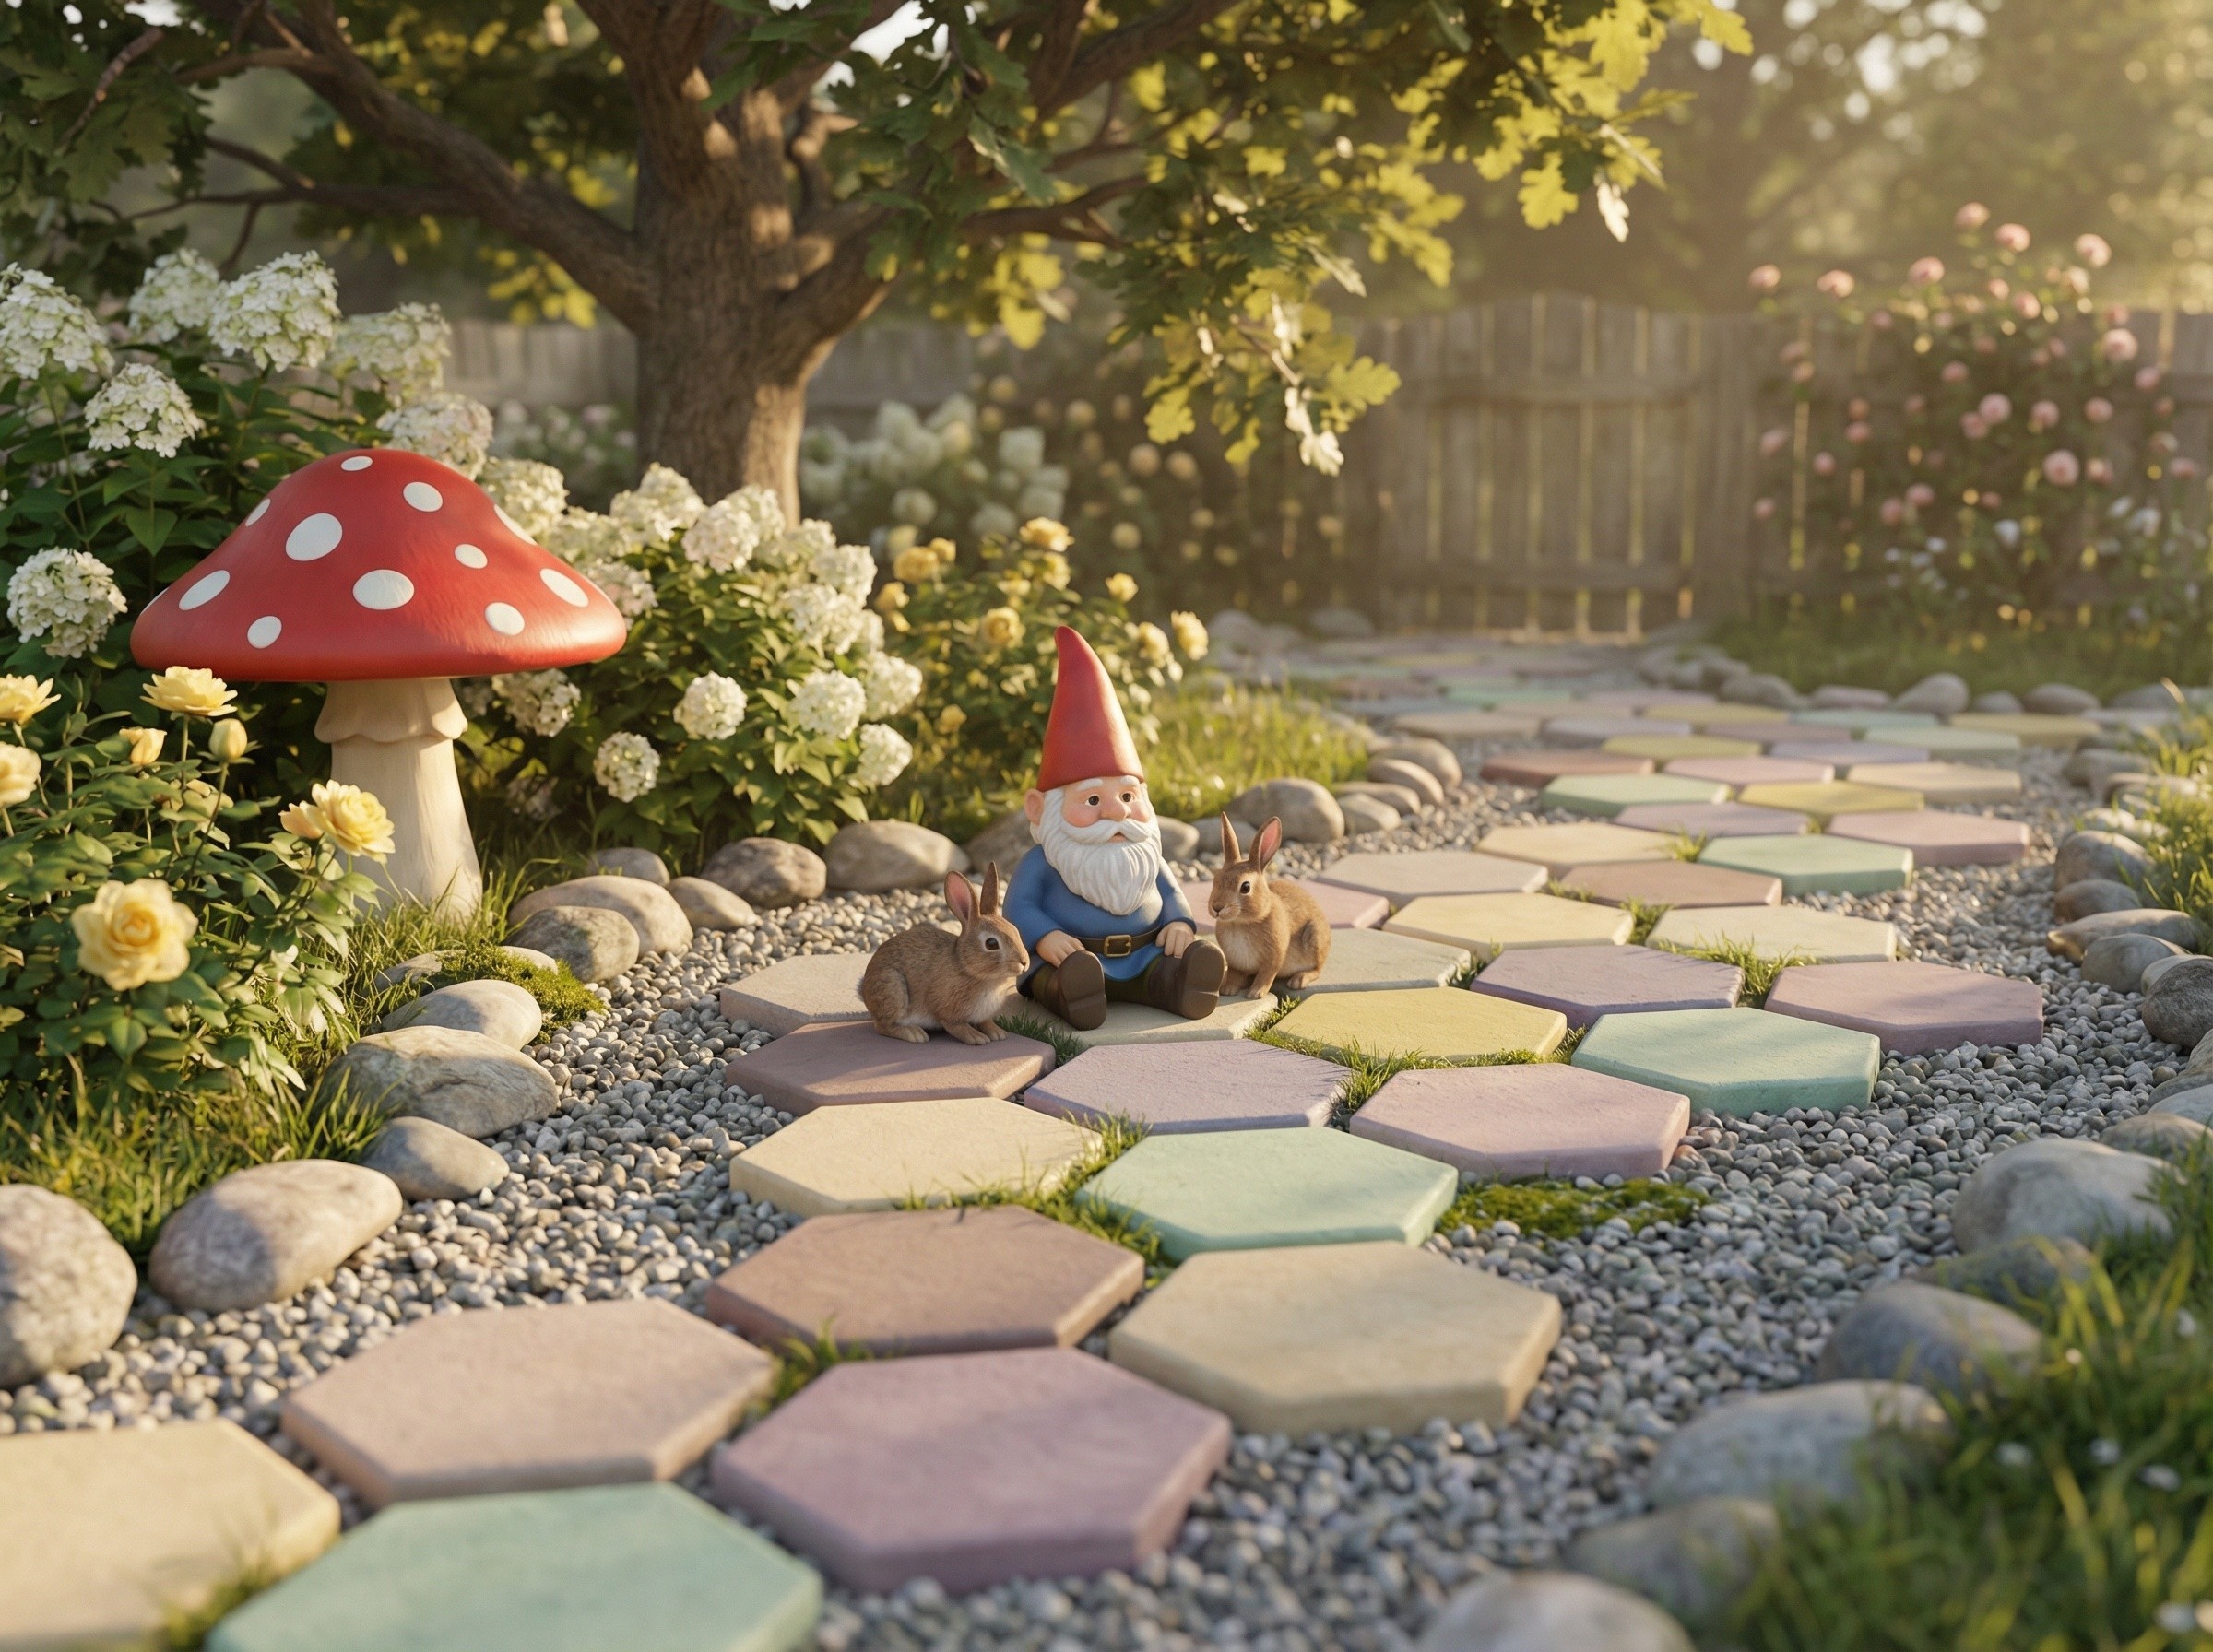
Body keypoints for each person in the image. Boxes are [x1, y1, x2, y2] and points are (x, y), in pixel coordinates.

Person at [1002, 627, 1227, 1031]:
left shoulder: (1144, 854)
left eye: (1128, 797)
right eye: (1092, 800)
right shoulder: (1043, 862)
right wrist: (1044, 937)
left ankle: (1181, 983)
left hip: (1145, 956)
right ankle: (1072, 995)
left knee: (1164, 972)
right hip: (1067, 961)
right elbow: (1019, 908)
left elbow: (1169, 892)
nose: (1117, 813)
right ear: (1040, 809)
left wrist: (1179, 923)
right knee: (1056, 980)